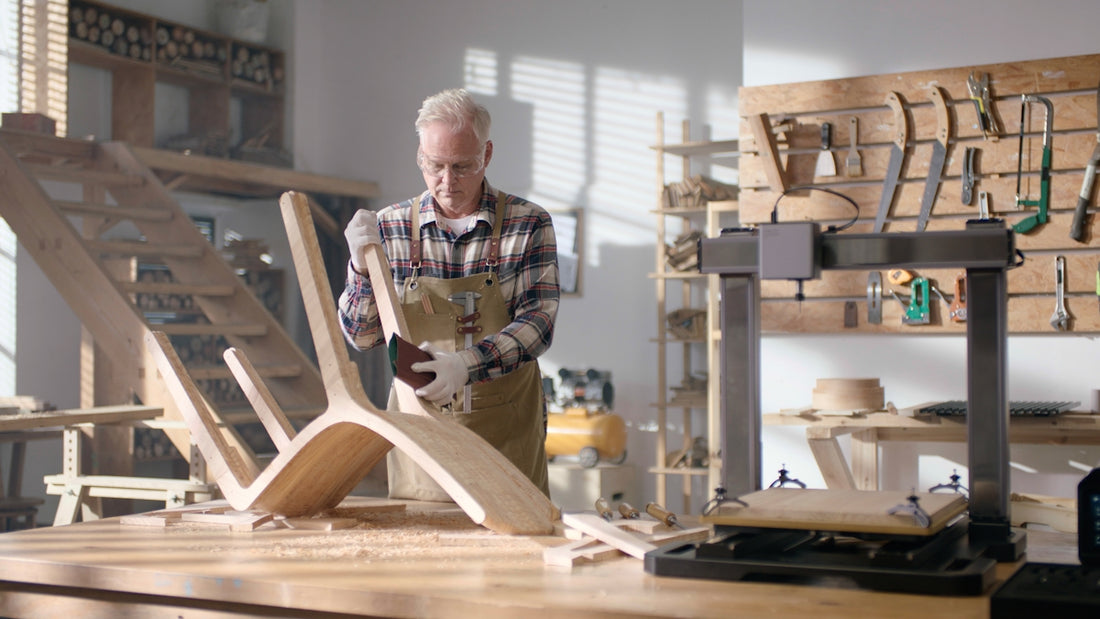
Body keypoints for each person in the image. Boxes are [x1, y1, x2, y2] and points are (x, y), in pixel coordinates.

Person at [338, 88, 559, 501]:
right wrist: (359, 268)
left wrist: (465, 365)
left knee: (513, 556)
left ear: (487, 154)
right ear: (420, 156)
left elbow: (538, 324)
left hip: (506, 433)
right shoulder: (389, 228)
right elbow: (362, 336)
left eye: (463, 166)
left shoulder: (528, 224)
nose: (447, 181)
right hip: (421, 434)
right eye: (435, 165)